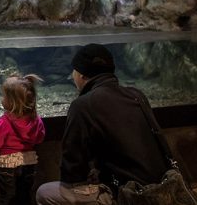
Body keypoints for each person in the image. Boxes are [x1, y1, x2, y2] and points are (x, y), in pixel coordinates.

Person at [36, 44, 169, 205]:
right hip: (162, 187)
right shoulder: (137, 95)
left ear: (81, 74)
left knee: (45, 193)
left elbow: (72, 171)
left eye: (74, 71)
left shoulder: (82, 105)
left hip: (128, 194)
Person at [0, 74, 47, 205]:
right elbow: (39, 139)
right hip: (29, 161)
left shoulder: (4, 122)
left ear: (12, 102)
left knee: (7, 197)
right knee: (25, 194)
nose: (1, 99)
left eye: (4, 96)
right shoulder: (36, 120)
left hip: (7, 163)